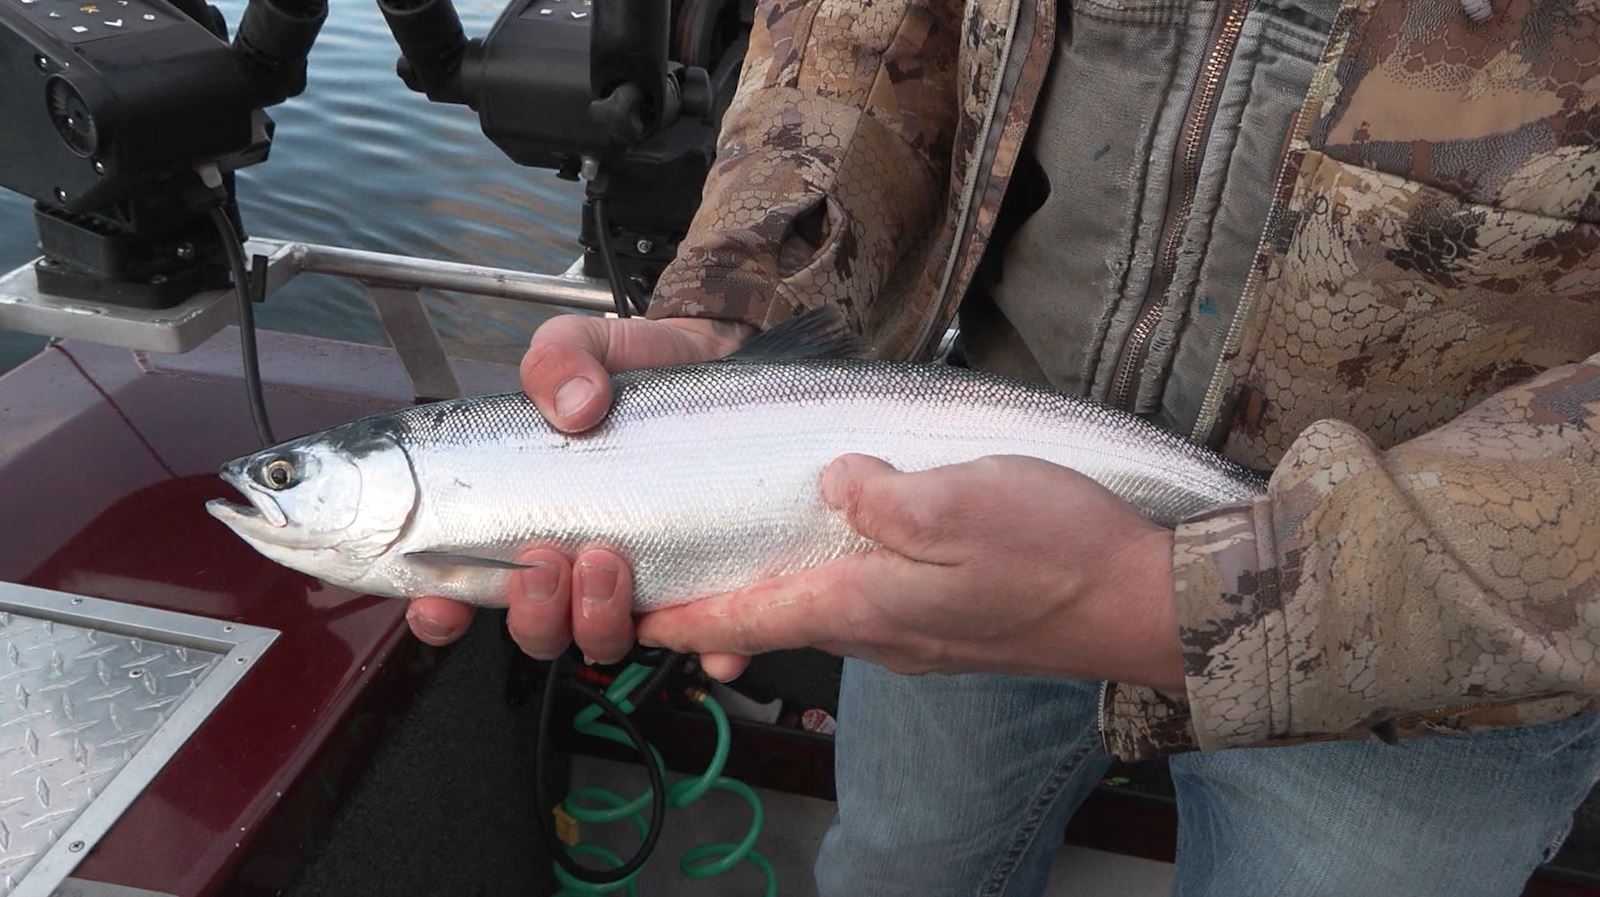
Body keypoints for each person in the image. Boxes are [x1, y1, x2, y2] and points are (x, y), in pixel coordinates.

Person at [406, 0, 1600, 892]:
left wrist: (1167, 590)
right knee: (895, 869)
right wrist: (743, 292)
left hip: (1424, 623)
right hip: (949, 496)